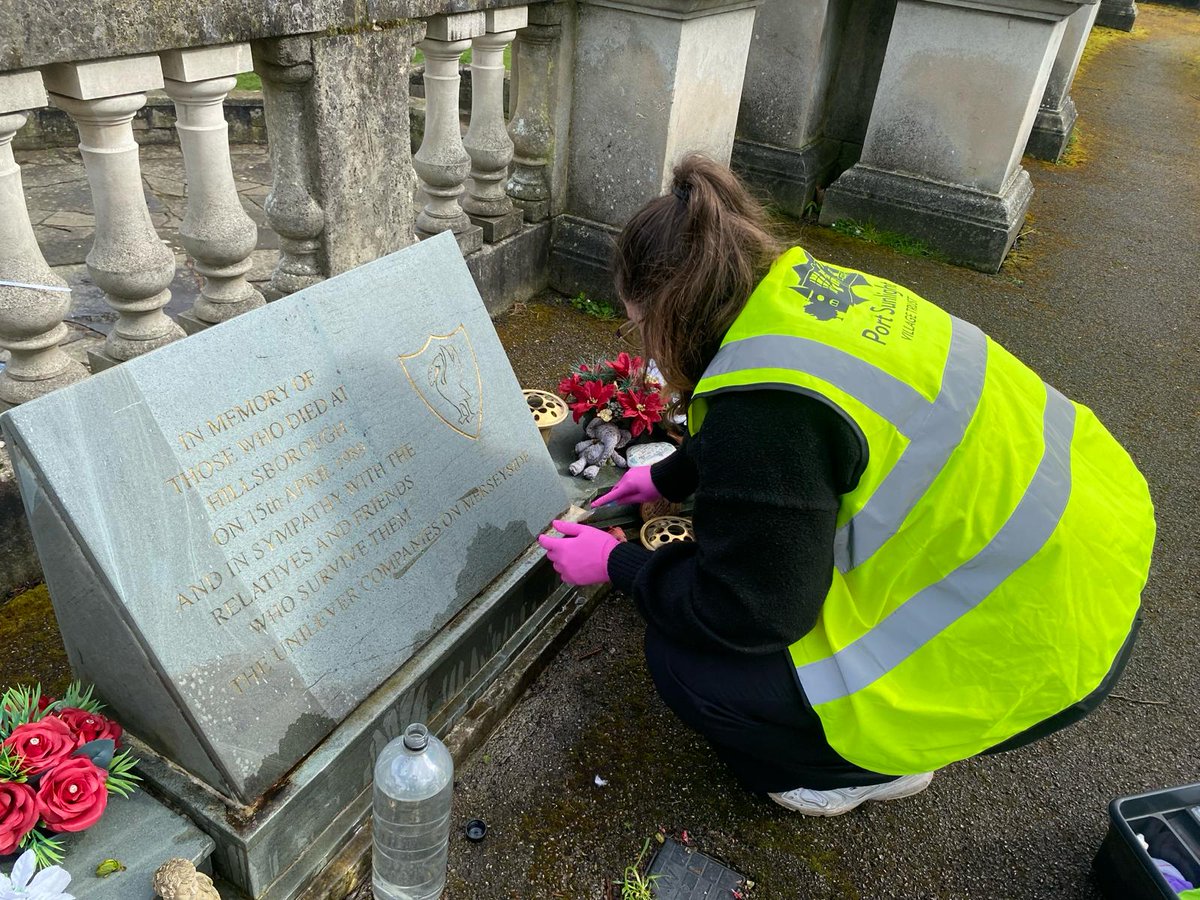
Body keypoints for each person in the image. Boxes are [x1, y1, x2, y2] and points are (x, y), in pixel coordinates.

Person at [537, 155, 1154, 816]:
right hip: (1095, 542)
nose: (648, 353)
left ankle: (856, 770)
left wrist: (620, 564)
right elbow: (809, 422)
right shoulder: (798, 288)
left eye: (641, 329)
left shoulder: (764, 415)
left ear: (674, 316)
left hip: (1038, 636)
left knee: (684, 662)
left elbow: (750, 613)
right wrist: (664, 473)